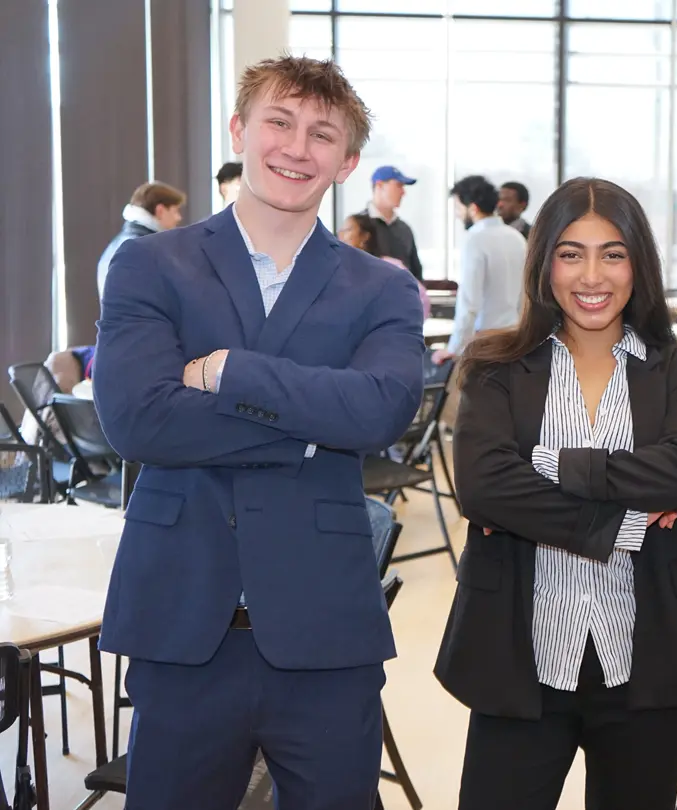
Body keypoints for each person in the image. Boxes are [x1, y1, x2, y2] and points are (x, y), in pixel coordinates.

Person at [92, 55, 426, 809]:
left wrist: (231, 375)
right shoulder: (151, 265)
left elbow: (378, 412)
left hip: (326, 627)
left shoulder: (382, 289)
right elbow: (137, 419)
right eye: (279, 121)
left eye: (322, 134)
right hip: (180, 616)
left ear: (346, 162)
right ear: (241, 128)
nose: (295, 147)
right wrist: (313, 429)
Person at [436, 176, 677, 810]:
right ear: (544, 264)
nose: (592, 275)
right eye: (571, 253)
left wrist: (542, 464)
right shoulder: (495, 365)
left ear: (637, 264)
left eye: (613, 254)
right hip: (519, 659)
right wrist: (617, 524)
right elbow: (483, 486)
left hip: (645, 664)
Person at [431, 175, 526, 365]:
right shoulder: (517, 238)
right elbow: (524, 295)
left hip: (483, 342)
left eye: (458, 207)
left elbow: (469, 303)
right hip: (514, 337)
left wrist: (453, 349)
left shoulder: (475, 240)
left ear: (472, 208)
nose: (457, 214)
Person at [96, 181, 186, 295]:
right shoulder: (140, 249)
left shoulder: (123, 244)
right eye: (176, 211)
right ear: (160, 211)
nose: (179, 218)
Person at [338, 212, 431, 319]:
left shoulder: (391, 266)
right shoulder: (339, 270)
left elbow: (422, 299)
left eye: (348, 230)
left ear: (365, 236)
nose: (341, 236)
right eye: (341, 231)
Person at [363, 165, 422, 279]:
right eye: (398, 185)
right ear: (379, 185)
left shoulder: (404, 229)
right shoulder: (357, 225)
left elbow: (416, 273)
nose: (403, 192)